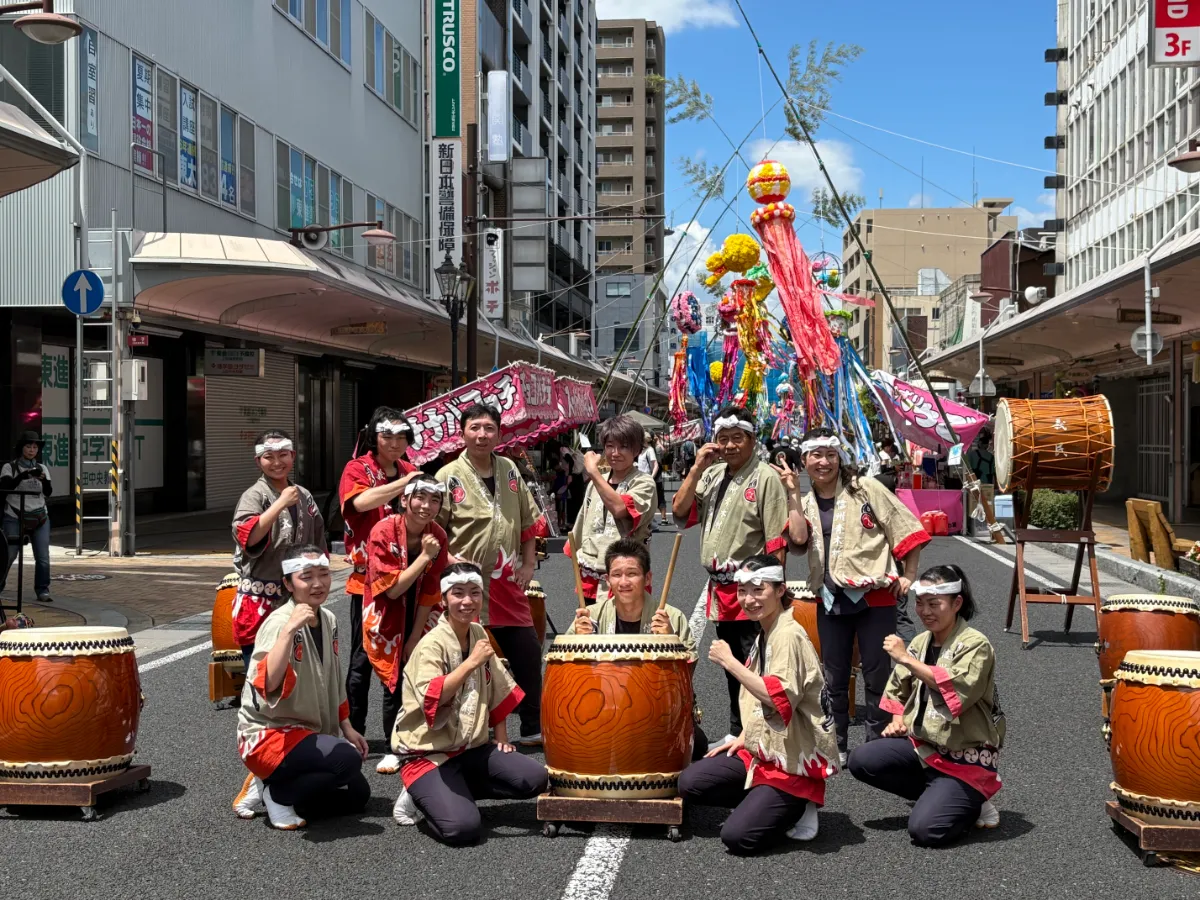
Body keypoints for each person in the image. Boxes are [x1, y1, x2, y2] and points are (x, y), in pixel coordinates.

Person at [783, 426, 930, 767]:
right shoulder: (804, 502)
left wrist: (909, 574)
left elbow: (903, 524)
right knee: (833, 675)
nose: (824, 462)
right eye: (816, 456)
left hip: (875, 594)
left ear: (839, 458)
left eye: (830, 455)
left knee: (877, 673)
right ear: (804, 461)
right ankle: (837, 742)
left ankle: (877, 743)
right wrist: (792, 494)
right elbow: (798, 542)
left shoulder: (865, 489)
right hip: (830, 597)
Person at [678, 557, 838, 854]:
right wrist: (742, 737)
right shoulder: (767, 631)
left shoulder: (787, 635)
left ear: (780, 590)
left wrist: (730, 663)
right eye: (742, 591)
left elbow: (778, 698)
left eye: (758, 590)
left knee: (737, 837)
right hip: (764, 750)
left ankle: (800, 803)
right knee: (690, 781)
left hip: (792, 764)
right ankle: (763, 801)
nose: (748, 599)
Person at [390, 563, 548, 844]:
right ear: (443, 600)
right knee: (462, 830)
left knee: (535, 778)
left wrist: (501, 737)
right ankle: (420, 793)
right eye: (458, 593)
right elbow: (432, 697)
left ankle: (449, 793)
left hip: (470, 748)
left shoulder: (478, 634)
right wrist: (471, 662)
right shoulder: (431, 645)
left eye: (475, 593)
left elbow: (497, 686)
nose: (467, 601)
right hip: (429, 754)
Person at [848, 565, 1004, 846]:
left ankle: (973, 799)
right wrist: (897, 718)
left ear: (957, 603)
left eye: (934, 604)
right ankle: (940, 795)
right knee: (862, 760)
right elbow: (898, 686)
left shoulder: (975, 644)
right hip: (924, 748)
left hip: (964, 757)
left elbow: (957, 690)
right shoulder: (921, 641)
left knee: (926, 832)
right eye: (920, 603)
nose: (925, 611)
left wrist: (905, 658)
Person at [672, 404, 788, 741]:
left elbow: (776, 539)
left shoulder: (765, 476)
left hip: (752, 588)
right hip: (722, 590)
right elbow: (680, 512)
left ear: (752, 440)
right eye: (723, 438)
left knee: (757, 663)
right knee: (731, 667)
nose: (730, 445)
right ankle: (740, 731)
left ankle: (763, 733)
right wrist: (696, 468)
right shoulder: (711, 473)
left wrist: (773, 592)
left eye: (738, 438)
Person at [233, 545, 370, 829]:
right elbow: (267, 683)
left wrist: (346, 726)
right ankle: (277, 793)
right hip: (270, 733)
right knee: (345, 761)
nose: (318, 583)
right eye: (306, 577)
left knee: (358, 795)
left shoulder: (328, 618)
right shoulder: (279, 623)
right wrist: (289, 631)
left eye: (324, 574)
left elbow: (332, 677)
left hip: (308, 732)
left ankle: (267, 783)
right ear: (288, 583)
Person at [436, 402, 549, 745]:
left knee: (528, 655)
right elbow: (436, 534)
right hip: (466, 588)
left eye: (488, 428)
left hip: (508, 582)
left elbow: (529, 522)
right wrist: (457, 567)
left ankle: (531, 726)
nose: (482, 435)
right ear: (463, 433)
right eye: (475, 428)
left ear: (498, 433)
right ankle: (473, 728)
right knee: (470, 660)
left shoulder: (510, 470)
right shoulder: (448, 477)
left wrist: (529, 564)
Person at [569, 537, 707, 760]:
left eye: (632, 573)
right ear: (607, 580)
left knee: (695, 746)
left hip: (656, 713)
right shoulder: (591, 615)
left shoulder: (671, 617)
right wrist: (577, 643)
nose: (624, 581)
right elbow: (565, 676)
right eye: (616, 574)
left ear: (647, 577)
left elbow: (686, 674)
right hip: (603, 711)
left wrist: (670, 640)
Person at [338, 407, 421, 736]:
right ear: (373, 436)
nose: (395, 442)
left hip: (407, 578)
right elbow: (359, 503)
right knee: (363, 659)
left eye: (402, 436)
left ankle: (397, 735)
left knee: (404, 657)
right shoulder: (358, 468)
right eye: (388, 435)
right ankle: (353, 731)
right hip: (368, 582)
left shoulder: (409, 469)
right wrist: (406, 484)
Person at [362, 473, 450, 774]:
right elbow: (393, 589)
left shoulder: (438, 534)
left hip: (420, 612)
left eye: (434, 500)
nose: (427, 505)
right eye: (420, 498)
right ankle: (391, 746)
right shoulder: (383, 530)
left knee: (421, 673)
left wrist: (415, 637)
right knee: (391, 680)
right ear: (405, 500)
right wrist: (426, 555)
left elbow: (429, 591)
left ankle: (420, 739)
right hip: (385, 612)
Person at [231, 430, 324, 669]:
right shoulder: (254, 495)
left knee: (301, 668)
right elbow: (248, 537)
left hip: (297, 596)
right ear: (258, 461)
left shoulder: (304, 495)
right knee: (262, 670)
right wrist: (280, 503)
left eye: (283, 455)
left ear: (293, 456)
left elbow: (317, 540)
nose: (276, 462)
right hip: (261, 600)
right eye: (268, 456)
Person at [567, 415, 656, 602]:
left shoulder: (644, 482)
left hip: (625, 572)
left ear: (637, 449)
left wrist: (592, 471)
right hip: (591, 569)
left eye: (623, 446)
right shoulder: (597, 482)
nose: (615, 452)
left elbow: (620, 508)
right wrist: (575, 551)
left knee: (624, 629)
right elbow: (583, 521)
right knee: (590, 627)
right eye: (610, 446)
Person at [0, 432, 53, 602]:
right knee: (9, 554)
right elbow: (6, 487)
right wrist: (23, 475)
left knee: (43, 556)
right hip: (14, 514)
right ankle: (0, 584)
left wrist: (43, 480)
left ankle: (42, 590)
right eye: (28, 446)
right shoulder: (9, 467)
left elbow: (49, 492)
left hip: (40, 516)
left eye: (35, 447)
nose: (32, 450)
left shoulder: (43, 468)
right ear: (21, 448)